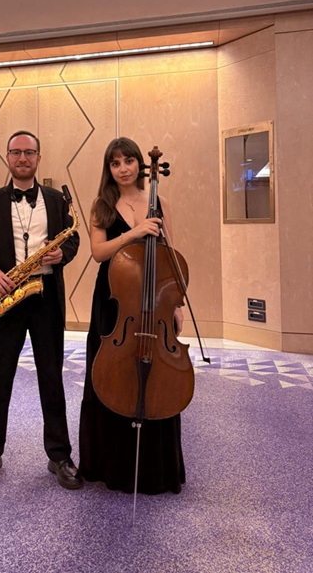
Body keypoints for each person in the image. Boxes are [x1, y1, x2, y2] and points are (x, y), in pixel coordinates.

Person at [0, 130, 81, 490]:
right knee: (0, 377)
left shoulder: (55, 199)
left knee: (52, 377)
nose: (22, 158)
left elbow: (73, 238)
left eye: (29, 152)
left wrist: (62, 254)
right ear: (7, 157)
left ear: (38, 158)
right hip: (6, 299)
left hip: (45, 298)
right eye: (16, 152)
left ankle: (59, 455)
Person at [79, 137, 186, 494]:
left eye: (129, 161)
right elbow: (98, 252)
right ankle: (111, 465)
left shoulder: (160, 202)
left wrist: (176, 305)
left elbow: (171, 255)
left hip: (155, 300)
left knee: (155, 375)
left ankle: (156, 468)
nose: (123, 169)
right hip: (114, 300)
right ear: (108, 169)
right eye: (115, 163)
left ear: (141, 164)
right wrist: (136, 233)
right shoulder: (102, 205)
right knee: (110, 373)